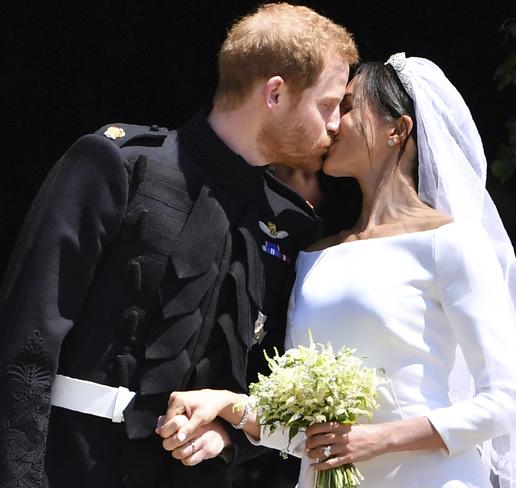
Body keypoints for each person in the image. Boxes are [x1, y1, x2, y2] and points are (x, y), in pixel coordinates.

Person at [157, 54, 516, 487]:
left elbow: (508, 402)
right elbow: (307, 436)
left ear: (399, 129)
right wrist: (227, 406)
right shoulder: (315, 255)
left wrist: (375, 439)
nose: (332, 123)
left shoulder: (449, 243)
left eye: (349, 107)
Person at [0, 3, 358, 487]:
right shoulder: (117, 166)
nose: (337, 124)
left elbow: (269, 383)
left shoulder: (293, 226)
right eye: (328, 104)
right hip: (74, 466)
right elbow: (27, 338)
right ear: (274, 93)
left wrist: (229, 439)